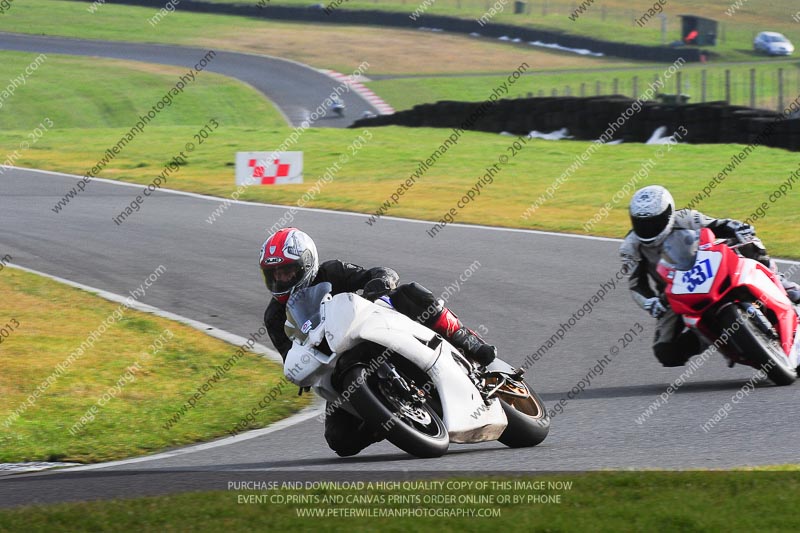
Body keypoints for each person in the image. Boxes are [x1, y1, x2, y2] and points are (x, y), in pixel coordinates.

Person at [260, 227, 496, 456]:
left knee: (408, 293)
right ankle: (386, 417)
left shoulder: (332, 272)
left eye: (287, 271)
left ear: (307, 264)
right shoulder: (274, 317)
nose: (280, 279)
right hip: (335, 368)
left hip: (369, 332)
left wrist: (379, 282)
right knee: (339, 440)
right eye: (274, 275)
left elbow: (381, 272)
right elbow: (290, 355)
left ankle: (465, 338)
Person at [619, 185, 800, 368]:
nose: (647, 229)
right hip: (674, 292)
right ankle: (710, 336)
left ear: (668, 213)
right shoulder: (630, 247)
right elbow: (636, 284)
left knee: (749, 242)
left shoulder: (685, 218)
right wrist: (650, 302)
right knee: (666, 352)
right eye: (641, 223)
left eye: (653, 222)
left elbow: (719, 225)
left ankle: (783, 283)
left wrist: (739, 229)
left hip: (709, 266)